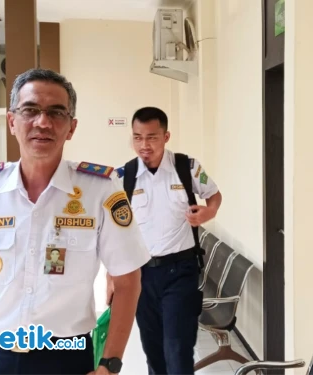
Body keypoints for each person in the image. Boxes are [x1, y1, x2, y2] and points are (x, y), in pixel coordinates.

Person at [0, 68, 151, 375]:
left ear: (71, 127)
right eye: (30, 110)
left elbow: (127, 282)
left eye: (56, 112)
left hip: (63, 358)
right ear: (11, 122)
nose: (42, 122)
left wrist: (109, 364)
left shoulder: (100, 190)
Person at [108, 107, 222, 375]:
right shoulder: (123, 176)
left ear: (166, 136)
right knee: (153, 348)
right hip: (141, 274)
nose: (144, 145)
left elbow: (214, 195)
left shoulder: (187, 168)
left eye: (151, 137)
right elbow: (114, 231)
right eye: (137, 138)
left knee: (178, 347)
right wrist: (112, 277)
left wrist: (209, 212)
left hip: (180, 271)